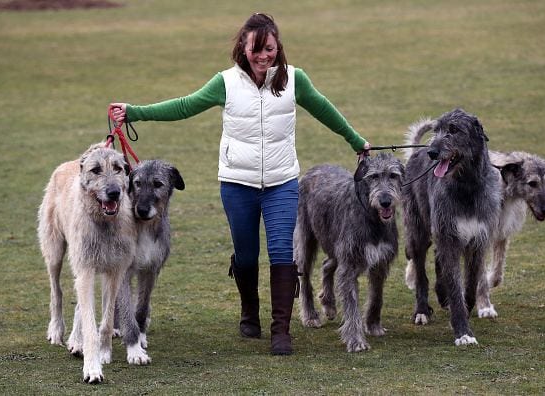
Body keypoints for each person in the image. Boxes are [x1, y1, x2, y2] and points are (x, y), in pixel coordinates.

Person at [110, 12, 371, 356]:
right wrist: (135, 111)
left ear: (279, 48)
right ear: (242, 49)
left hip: (281, 182)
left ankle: (281, 331)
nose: (264, 56)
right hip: (237, 183)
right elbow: (185, 105)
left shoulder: (295, 80)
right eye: (256, 50)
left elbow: (324, 109)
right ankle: (250, 313)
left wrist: (357, 142)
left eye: (270, 50)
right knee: (246, 256)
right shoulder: (226, 82)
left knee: (281, 253)